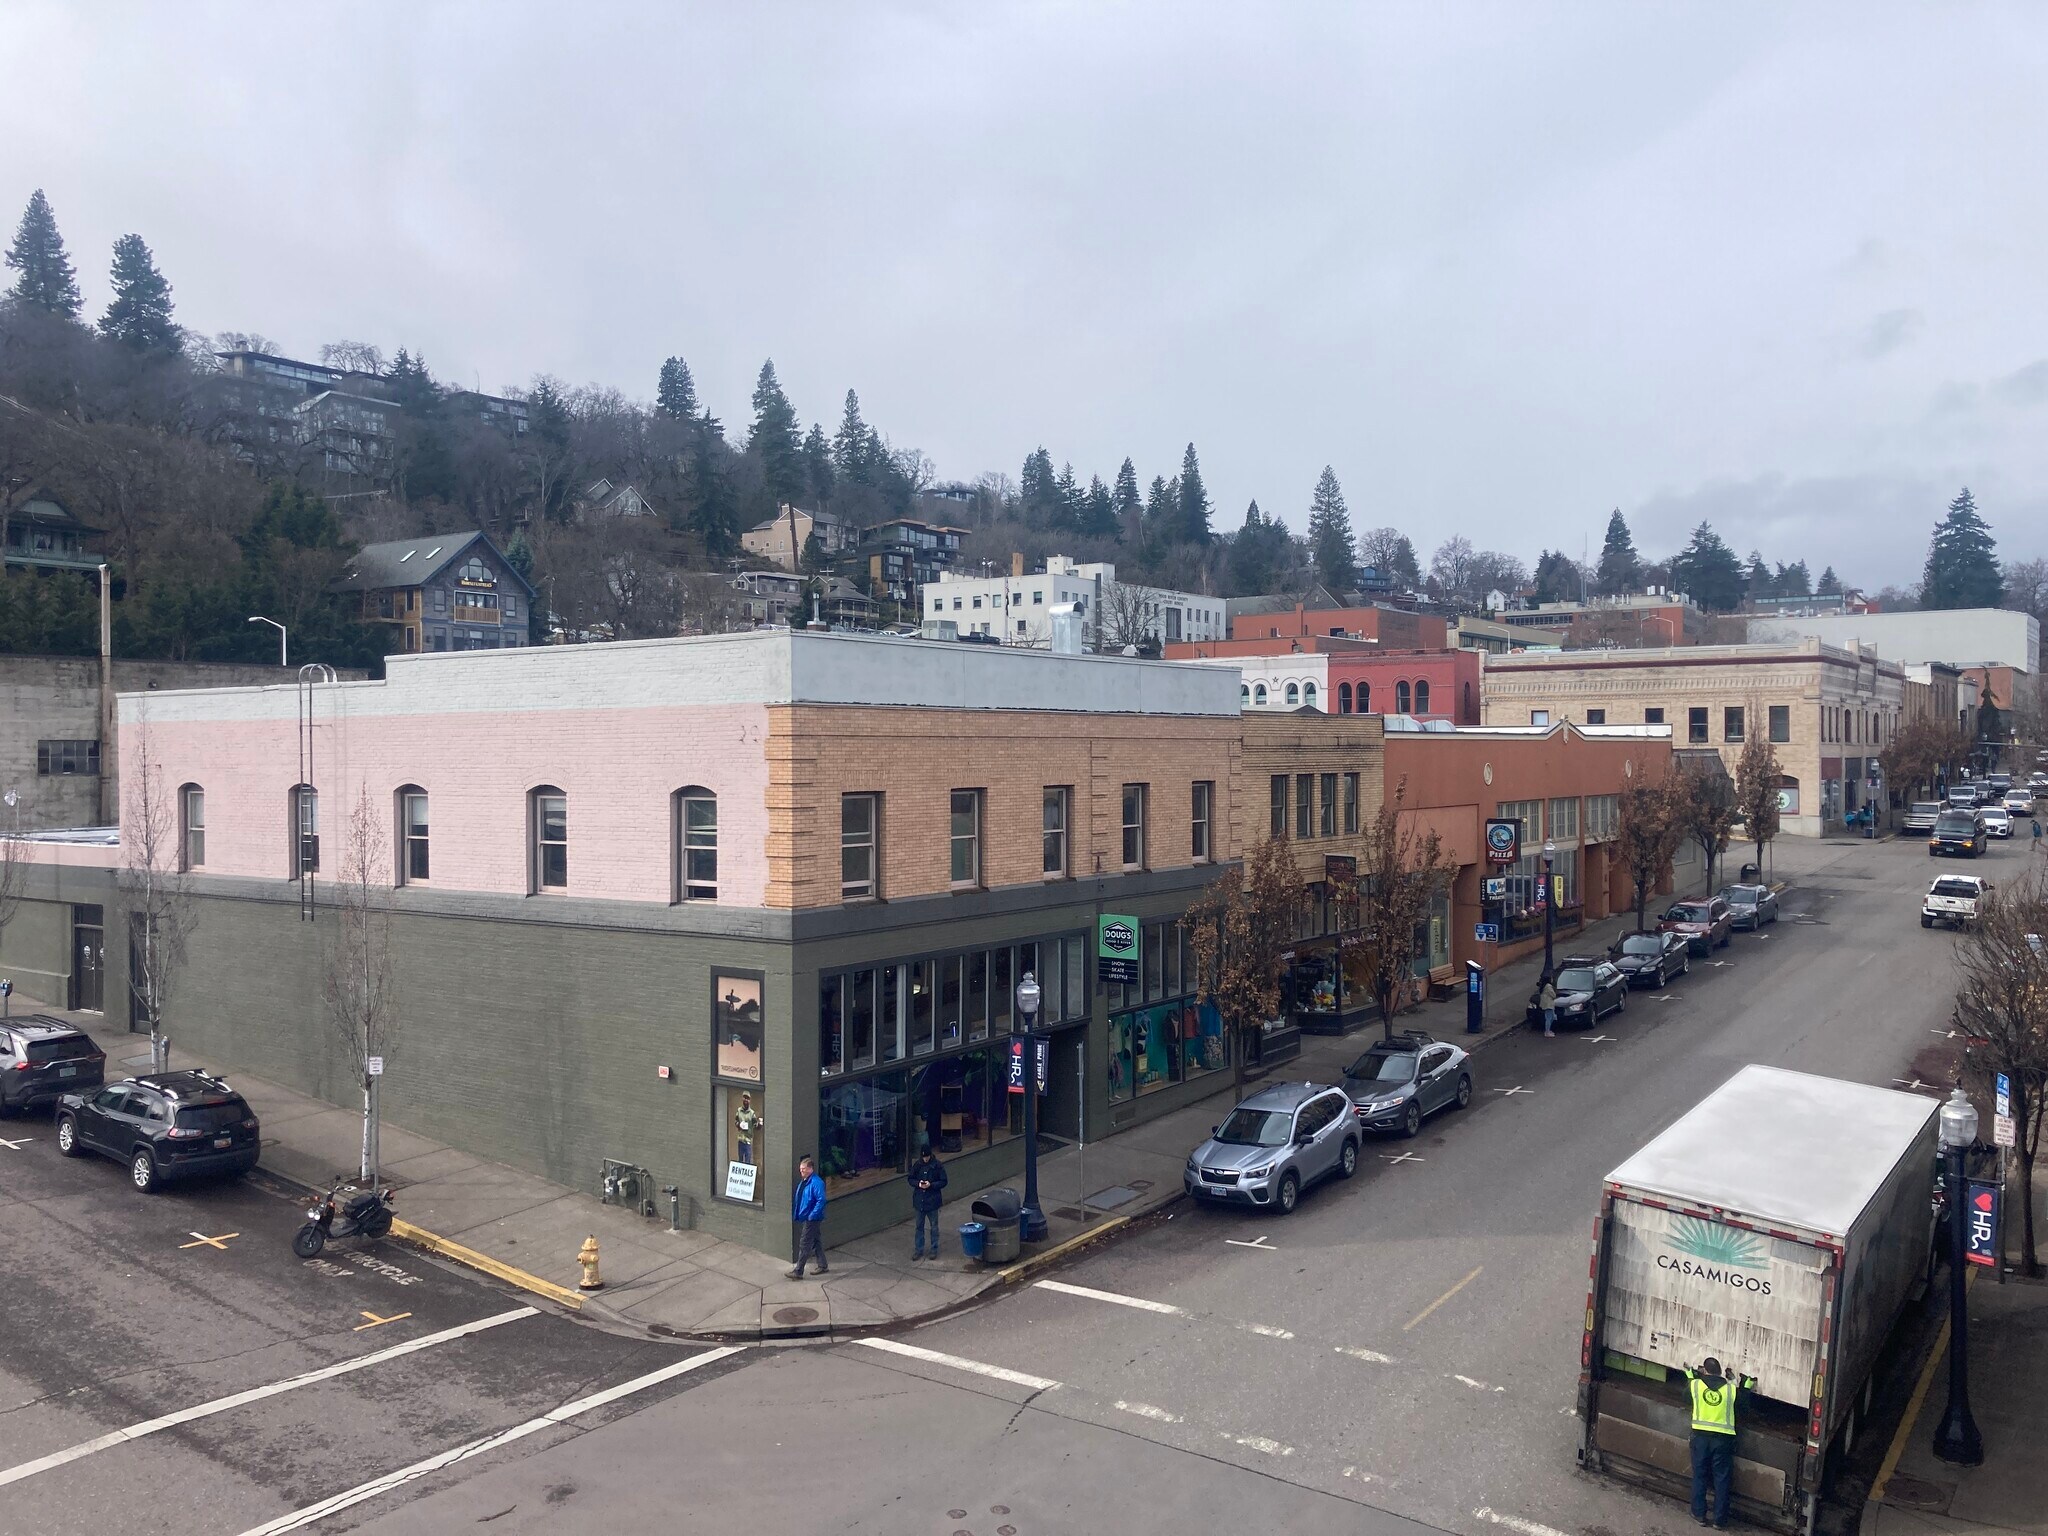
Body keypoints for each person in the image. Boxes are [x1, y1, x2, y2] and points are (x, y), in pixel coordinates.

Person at [1685, 1356, 1753, 1528]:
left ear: (1704, 1371)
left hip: (1700, 1438)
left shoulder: (1696, 1385)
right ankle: (1719, 1521)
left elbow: (1686, 1396)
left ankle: (1699, 1514)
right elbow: (1744, 1407)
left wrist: (1690, 1376)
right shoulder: (1730, 1390)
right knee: (1721, 1480)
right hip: (1723, 1440)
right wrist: (1746, 1386)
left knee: (1700, 1475)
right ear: (1719, 1371)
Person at [788, 1155, 828, 1279]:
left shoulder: (816, 1183)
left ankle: (798, 1271)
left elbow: (821, 1200)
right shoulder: (805, 1181)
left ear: (811, 1169)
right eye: (800, 1169)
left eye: (804, 1169)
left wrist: (812, 1215)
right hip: (809, 1216)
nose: (801, 1171)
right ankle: (823, 1265)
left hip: (813, 1218)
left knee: (804, 1243)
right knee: (816, 1241)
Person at [907, 1141, 949, 1260]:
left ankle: (933, 1249)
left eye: (927, 1156)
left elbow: (944, 1181)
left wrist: (931, 1185)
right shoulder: (917, 1165)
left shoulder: (937, 1165)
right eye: (923, 1157)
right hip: (920, 1201)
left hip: (932, 1201)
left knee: (934, 1227)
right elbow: (910, 1178)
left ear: (930, 1155)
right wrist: (919, 1184)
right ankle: (918, 1249)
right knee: (919, 1227)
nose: (925, 1159)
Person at [1536, 972, 1558, 1037]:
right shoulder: (1548, 987)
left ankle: (1548, 1030)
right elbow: (1553, 995)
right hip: (1549, 1004)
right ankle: (1547, 1031)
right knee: (1549, 1018)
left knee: (1551, 1017)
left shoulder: (1543, 986)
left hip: (1546, 1004)